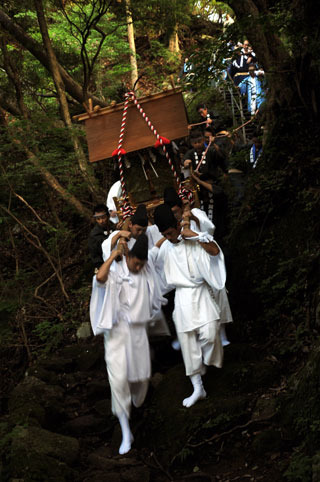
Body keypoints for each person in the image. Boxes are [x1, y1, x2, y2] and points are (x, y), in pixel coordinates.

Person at [90, 233, 166, 455]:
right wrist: (115, 254)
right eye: (135, 262)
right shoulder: (116, 273)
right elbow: (100, 279)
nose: (138, 266)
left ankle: (135, 407)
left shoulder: (145, 272)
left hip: (138, 335)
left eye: (142, 264)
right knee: (119, 381)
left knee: (140, 380)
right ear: (129, 256)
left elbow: (153, 253)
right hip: (116, 335)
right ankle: (125, 431)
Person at [152, 204, 226, 408]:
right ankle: (198, 387)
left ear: (177, 225)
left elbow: (215, 252)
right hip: (182, 296)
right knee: (187, 343)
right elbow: (152, 265)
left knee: (211, 333)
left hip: (201, 293)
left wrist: (192, 235)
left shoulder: (193, 238)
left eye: (170, 232)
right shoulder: (165, 247)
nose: (169, 237)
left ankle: (205, 360)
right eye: (164, 234)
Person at [163, 187, 232, 346]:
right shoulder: (172, 224)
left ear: (181, 207)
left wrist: (192, 218)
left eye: (176, 211)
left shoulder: (195, 213)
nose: (175, 215)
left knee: (218, 291)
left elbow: (210, 229)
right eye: (171, 213)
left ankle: (221, 333)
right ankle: (191, 337)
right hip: (189, 265)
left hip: (205, 257)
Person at [88, 204, 111, 270]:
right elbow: (95, 256)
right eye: (98, 219)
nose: (101, 221)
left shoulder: (112, 226)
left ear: (108, 216)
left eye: (103, 217)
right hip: (104, 265)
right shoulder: (94, 234)